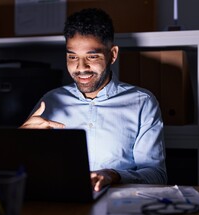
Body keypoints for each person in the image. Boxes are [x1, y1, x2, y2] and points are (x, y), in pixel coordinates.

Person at [20, 8, 167, 191]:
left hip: (117, 207)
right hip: (62, 205)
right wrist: (20, 143)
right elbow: (22, 170)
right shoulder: (50, 101)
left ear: (112, 54)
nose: (81, 68)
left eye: (92, 56)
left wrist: (113, 175)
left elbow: (157, 176)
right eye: (72, 56)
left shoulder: (142, 103)